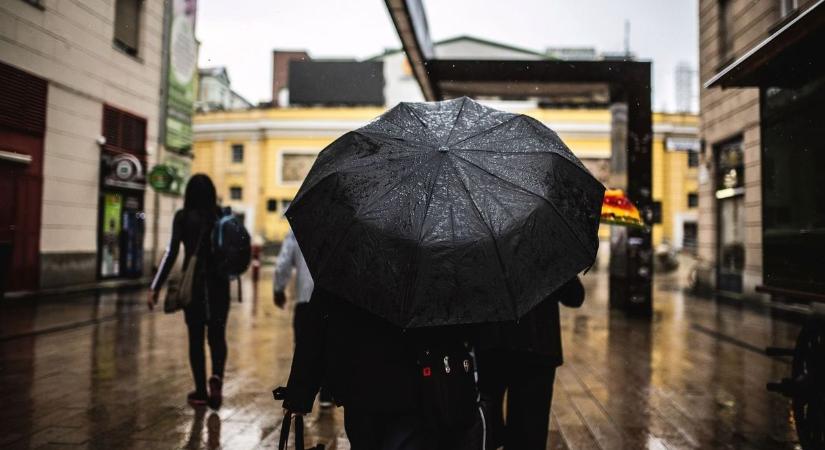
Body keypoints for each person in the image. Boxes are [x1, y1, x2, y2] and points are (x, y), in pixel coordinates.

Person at [282, 288, 434, 450]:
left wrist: (298, 396)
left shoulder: (344, 270)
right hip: (406, 387)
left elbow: (315, 332)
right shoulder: (427, 276)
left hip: (360, 385)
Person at [147, 174, 230, 409]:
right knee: (217, 336)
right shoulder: (221, 215)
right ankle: (217, 377)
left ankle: (201, 391)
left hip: (193, 286)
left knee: (196, 339)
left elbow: (171, 252)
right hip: (219, 286)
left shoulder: (183, 218)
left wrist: (155, 286)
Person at [475, 277, 585, 450]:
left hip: (493, 345)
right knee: (530, 432)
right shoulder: (545, 251)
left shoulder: (483, 251)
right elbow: (575, 297)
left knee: (488, 424)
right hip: (537, 347)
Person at [273, 229, 332, 408]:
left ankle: (301, 391)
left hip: (305, 299)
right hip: (332, 301)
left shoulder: (299, 229)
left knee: (304, 346)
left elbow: (283, 262)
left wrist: (278, 287)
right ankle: (327, 393)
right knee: (330, 345)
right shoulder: (342, 229)